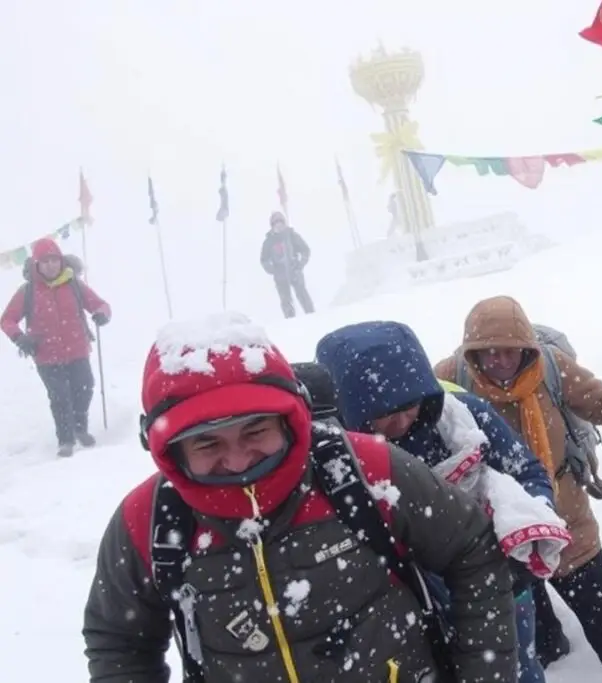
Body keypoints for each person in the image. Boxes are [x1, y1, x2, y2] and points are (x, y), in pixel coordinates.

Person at [83, 312, 518, 683]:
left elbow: (471, 549)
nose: (237, 460)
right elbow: (119, 642)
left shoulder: (365, 470)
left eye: (255, 431)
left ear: (289, 419)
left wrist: (484, 673)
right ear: (170, 448)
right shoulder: (149, 520)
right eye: (207, 443)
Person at [434, 295, 602, 683]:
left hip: (565, 517)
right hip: (498, 529)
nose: (500, 361)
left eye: (510, 351)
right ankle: (553, 651)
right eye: (488, 351)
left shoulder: (551, 368)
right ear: (471, 352)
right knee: (528, 618)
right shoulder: (451, 378)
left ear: (527, 348)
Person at [315, 320, 559, 683]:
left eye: (411, 405)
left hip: (497, 588)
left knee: (516, 671)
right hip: (404, 611)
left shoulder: (464, 419)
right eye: (384, 412)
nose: (402, 421)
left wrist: (529, 527)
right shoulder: (334, 459)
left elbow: (527, 473)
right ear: (350, 405)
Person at [1, 238, 110, 457]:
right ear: (37, 264)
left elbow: (100, 304)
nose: (51, 265)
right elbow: (7, 320)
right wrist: (19, 337)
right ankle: (65, 439)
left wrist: (101, 314)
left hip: (78, 350)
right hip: (46, 356)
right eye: (45, 261)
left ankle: (80, 427)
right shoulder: (28, 291)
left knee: (85, 387)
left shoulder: (74, 284)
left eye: (54, 260)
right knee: (59, 396)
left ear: (61, 261)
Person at [260, 211, 313, 318]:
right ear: (272, 226)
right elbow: (264, 260)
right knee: (285, 301)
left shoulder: (292, 235)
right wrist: (273, 270)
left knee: (303, 295)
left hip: (294, 270)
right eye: (276, 223)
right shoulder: (269, 241)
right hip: (280, 276)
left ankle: (312, 316)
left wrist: (300, 264)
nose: (279, 226)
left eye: (280, 223)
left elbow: (305, 250)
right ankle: (290, 321)